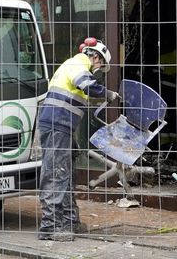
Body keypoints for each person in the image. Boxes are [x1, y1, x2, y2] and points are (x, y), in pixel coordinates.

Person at [37, 37, 120, 241]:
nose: (99, 68)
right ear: (95, 57)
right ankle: (50, 227)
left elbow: (82, 94)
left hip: (62, 125)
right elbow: (87, 86)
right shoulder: (78, 63)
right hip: (58, 124)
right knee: (56, 174)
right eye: (101, 64)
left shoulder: (74, 66)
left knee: (66, 174)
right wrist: (108, 94)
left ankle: (69, 222)